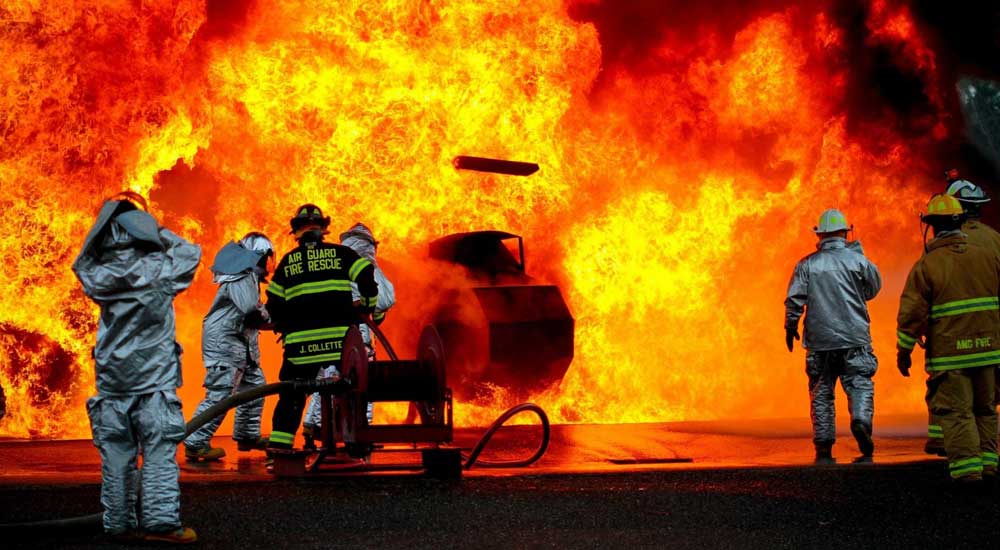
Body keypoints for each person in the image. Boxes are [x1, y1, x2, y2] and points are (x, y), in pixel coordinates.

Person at [72, 195, 200, 543]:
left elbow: (80, 262)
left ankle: (118, 525)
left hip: (112, 380)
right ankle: (160, 525)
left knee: (116, 455)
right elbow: (191, 252)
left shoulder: (98, 275)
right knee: (158, 451)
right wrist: (156, 231)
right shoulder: (161, 269)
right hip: (154, 380)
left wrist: (101, 231)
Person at [897, 193, 1000, 486]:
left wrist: (903, 351)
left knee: (957, 412)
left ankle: (968, 471)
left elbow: (911, 314)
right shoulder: (988, 254)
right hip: (990, 351)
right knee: (986, 409)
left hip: (951, 355)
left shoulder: (928, 264)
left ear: (931, 225)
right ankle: (989, 464)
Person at [265, 205, 378, 452]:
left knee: (291, 397)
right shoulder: (342, 255)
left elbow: (273, 304)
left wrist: (284, 324)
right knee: (353, 391)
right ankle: (356, 445)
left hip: (300, 348)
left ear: (295, 232)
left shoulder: (287, 263)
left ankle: (279, 452)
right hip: (339, 344)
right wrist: (367, 306)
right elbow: (367, 276)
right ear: (324, 229)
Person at [785, 209, 882, 463]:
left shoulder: (807, 264)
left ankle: (824, 444)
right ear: (844, 233)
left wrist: (790, 326)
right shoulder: (859, 261)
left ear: (820, 234)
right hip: (855, 338)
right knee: (859, 383)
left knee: (821, 392)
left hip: (820, 341)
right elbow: (873, 289)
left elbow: (795, 300)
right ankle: (860, 419)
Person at [302, 223, 396, 447]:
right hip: (356, 334)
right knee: (363, 379)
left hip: (326, 330)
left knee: (327, 377)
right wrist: (376, 312)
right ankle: (362, 432)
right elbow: (385, 300)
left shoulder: (332, 260)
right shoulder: (366, 263)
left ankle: (313, 427)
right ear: (371, 246)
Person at [184, 232, 275, 462]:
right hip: (225, 344)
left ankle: (247, 436)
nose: (269, 264)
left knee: (255, 386)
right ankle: (195, 442)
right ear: (259, 256)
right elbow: (251, 311)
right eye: (267, 258)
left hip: (240, 345)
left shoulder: (248, 276)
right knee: (221, 392)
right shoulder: (241, 276)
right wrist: (276, 320)